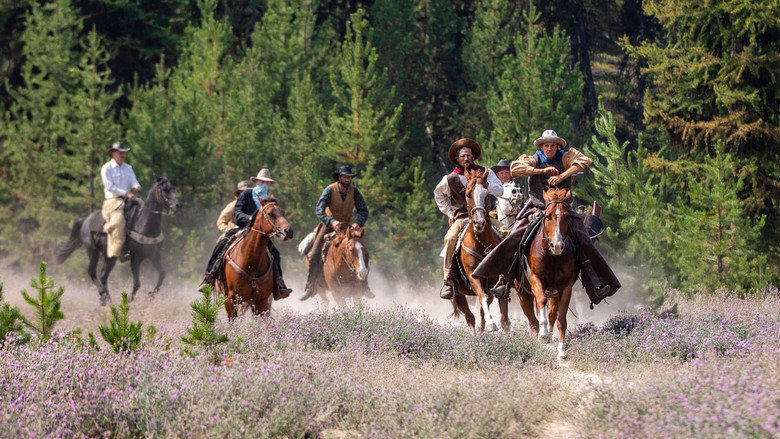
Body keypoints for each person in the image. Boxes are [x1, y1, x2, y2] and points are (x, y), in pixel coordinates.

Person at [472, 130, 621, 305]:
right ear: (541, 146)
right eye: (546, 145)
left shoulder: (566, 157)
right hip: (536, 208)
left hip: (563, 209)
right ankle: (504, 281)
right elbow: (515, 169)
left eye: (552, 145)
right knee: (514, 237)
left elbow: (584, 161)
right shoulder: (534, 158)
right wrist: (540, 171)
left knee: (585, 240)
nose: (549, 149)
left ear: (557, 146)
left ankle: (594, 284)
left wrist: (562, 175)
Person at [201, 169, 292, 299]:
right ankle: (209, 277)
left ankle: (279, 284)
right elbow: (237, 213)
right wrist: (250, 219)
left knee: (275, 253)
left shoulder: (270, 200)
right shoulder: (246, 195)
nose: (264, 184)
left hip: (261, 233)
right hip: (241, 228)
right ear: (256, 182)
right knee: (222, 243)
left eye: (267, 182)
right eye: (262, 181)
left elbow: (274, 217)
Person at [433, 138, 504, 300]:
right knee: (450, 238)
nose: (466, 159)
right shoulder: (449, 179)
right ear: (457, 158)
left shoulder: (485, 172)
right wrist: (449, 213)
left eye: (469, 155)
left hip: (485, 217)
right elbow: (439, 196)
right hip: (462, 218)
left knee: (507, 233)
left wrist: (485, 185)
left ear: (473, 157)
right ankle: (448, 280)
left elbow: (500, 190)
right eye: (463, 156)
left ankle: (505, 278)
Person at [299, 165, 371, 301]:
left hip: (348, 228)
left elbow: (363, 211)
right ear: (339, 177)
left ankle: (365, 285)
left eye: (349, 177)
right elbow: (319, 210)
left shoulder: (354, 192)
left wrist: (357, 223)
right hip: (328, 226)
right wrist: (332, 222)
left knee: (363, 252)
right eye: (344, 176)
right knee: (314, 254)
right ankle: (311, 286)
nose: (347, 179)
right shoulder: (330, 190)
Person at [101, 141, 141, 262]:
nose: (123, 155)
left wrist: (136, 186)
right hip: (113, 201)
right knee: (118, 222)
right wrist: (126, 193)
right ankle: (118, 251)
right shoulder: (106, 168)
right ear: (113, 153)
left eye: (124, 153)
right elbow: (109, 187)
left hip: (128, 199)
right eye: (120, 152)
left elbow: (134, 180)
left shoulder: (128, 168)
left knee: (145, 212)